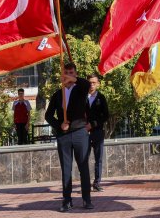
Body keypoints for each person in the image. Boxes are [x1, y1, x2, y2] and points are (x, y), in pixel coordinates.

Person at [44, 63, 93, 212]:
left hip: (80, 133)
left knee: (83, 167)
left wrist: (73, 78)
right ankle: (67, 200)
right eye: (66, 72)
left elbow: (87, 83)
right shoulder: (58, 94)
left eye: (71, 72)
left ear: (75, 74)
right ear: (62, 74)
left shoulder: (81, 90)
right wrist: (60, 125)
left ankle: (86, 199)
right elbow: (48, 115)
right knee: (66, 169)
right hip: (64, 136)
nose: (68, 75)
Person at [87, 74, 109, 193]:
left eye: (94, 82)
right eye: (90, 82)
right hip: (84, 132)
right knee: (83, 159)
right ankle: (85, 183)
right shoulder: (81, 97)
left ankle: (97, 183)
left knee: (98, 158)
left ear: (98, 84)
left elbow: (105, 116)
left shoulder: (101, 98)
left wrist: (93, 124)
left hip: (97, 132)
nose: (92, 85)